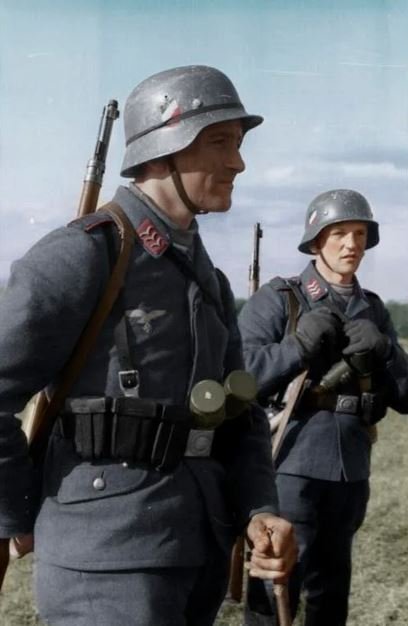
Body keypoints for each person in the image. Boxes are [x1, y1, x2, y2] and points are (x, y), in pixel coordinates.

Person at [0, 65, 297, 626]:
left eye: (237, 145)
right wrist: (15, 512)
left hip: (196, 553)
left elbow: (240, 416)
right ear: (163, 151)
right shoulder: (83, 255)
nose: (238, 163)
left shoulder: (208, 279)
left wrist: (260, 507)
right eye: (220, 143)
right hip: (104, 563)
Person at [238, 189, 408, 626]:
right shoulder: (281, 298)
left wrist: (388, 352)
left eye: (359, 234)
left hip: (351, 469)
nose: (352, 244)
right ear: (316, 242)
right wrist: (296, 348)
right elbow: (239, 379)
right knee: (275, 591)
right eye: (339, 234)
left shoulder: (372, 309)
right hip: (289, 463)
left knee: (332, 594)